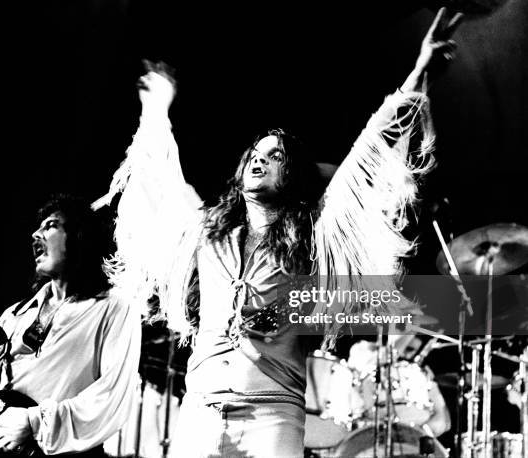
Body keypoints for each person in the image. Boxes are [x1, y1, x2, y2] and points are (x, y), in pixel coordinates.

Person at [95, 7, 462, 457]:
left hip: (271, 417)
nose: (259, 159)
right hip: (200, 412)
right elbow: (160, 176)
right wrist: (156, 107)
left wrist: (420, 73)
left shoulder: (312, 239)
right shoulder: (208, 235)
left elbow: (371, 148)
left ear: (293, 177)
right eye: (255, 152)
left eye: (274, 156)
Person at [0, 195, 141, 455]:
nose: (35, 234)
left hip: (62, 451)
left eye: (51, 225)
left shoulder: (113, 307)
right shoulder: (14, 315)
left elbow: (110, 397)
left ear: (79, 236)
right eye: (38, 226)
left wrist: (32, 422)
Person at [347, 336, 451, 437]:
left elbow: (443, 421)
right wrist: (410, 329)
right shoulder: (364, 349)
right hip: (373, 431)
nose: (405, 354)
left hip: (415, 439)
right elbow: (385, 359)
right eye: (405, 346)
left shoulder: (421, 375)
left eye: (411, 350)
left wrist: (419, 433)